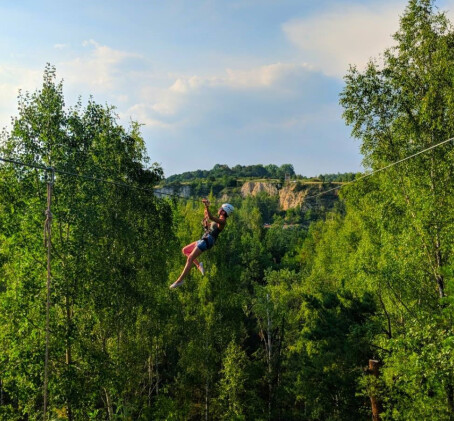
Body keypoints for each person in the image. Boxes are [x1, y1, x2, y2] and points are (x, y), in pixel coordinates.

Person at [170, 200, 234, 289]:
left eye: (221, 208)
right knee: (185, 250)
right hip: (203, 239)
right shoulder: (218, 221)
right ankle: (198, 265)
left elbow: (211, 217)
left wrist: (207, 206)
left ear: (224, 211)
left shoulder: (223, 221)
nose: (219, 209)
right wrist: (205, 224)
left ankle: (179, 281)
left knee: (190, 258)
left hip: (207, 241)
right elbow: (208, 222)